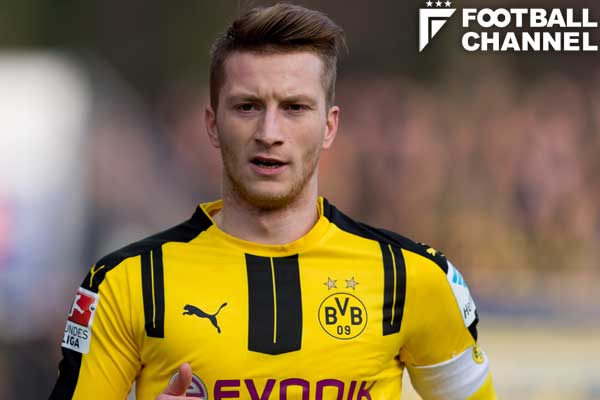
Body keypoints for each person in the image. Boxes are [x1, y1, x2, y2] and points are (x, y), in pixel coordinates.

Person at [50, 3, 496, 399]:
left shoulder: (413, 278)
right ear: (212, 124)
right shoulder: (127, 282)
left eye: (294, 108)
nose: (269, 132)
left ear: (329, 126)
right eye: (247, 107)